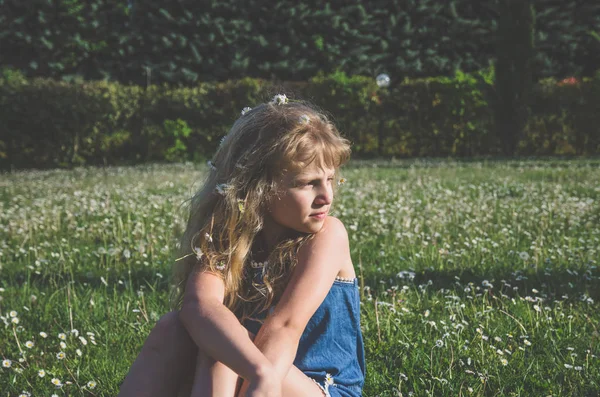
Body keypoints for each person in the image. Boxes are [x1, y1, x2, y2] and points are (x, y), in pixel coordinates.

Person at [118, 95, 365, 397]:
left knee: (225, 350)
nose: (326, 195)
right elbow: (200, 306)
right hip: (257, 373)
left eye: (329, 179)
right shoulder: (228, 235)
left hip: (318, 387)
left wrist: (261, 381)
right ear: (257, 187)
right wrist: (257, 371)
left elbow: (285, 326)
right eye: (306, 183)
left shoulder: (327, 235)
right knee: (178, 329)